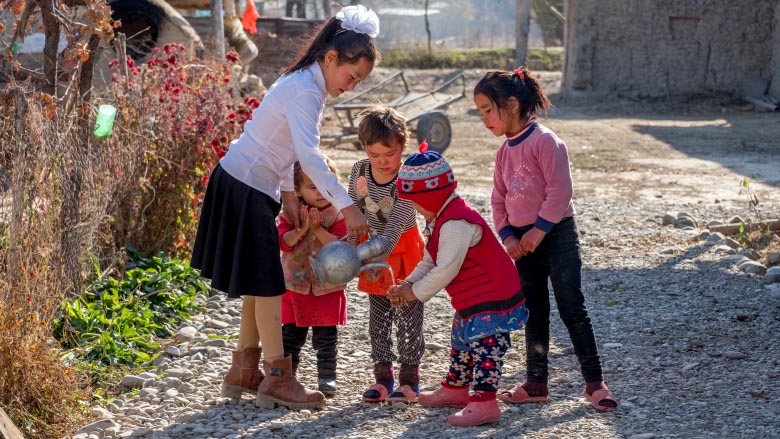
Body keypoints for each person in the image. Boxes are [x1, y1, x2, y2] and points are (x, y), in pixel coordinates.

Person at [190, 4, 380, 411]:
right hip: (244, 185)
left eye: (359, 80)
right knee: (268, 284)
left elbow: (282, 146)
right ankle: (278, 376)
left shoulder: (305, 81)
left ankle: (243, 369)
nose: (352, 85)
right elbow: (309, 156)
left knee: (258, 284)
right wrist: (346, 206)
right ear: (331, 57)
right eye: (352, 75)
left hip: (246, 182)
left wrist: (289, 195)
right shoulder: (306, 90)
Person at [473, 67, 618, 412]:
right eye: (480, 113)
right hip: (523, 245)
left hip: (556, 237)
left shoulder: (546, 141)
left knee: (572, 309)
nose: (484, 120)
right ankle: (536, 383)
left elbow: (559, 192)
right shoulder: (504, 152)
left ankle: (595, 382)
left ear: (511, 104)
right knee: (533, 314)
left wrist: (539, 231)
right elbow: (497, 199)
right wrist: (508, 236)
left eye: (487, 110)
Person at [387, 144, 528, 427]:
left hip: (492, 296)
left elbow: (445, 269)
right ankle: (455, 388)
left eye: (414, 202)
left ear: (430, 195)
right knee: (462, 341)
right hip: (472, 298)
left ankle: (485, 401)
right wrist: (409, 282)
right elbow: (430, 258)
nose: (414, 208)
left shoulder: (455, 222)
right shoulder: (441, 217)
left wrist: (413, 293)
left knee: (487, 346)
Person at [347, 105, 426, 404]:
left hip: (403, 250)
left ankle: (409, 380)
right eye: (374, 154)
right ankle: (382, 378)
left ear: (402, 146)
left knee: (408, 316)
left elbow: (393, 233)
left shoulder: (408, 177)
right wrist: (349, 246)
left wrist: (357, 257)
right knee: (378, 318)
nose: (382, 162)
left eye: (389, 154)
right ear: (364, 148)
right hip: (373, 251)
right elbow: (354, 213)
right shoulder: (359, 171)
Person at [279, 159, 347, 398]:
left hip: (326, 286)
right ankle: (286, 378)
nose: (320, 191)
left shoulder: (337, 213)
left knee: (326, 337)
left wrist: (317, 229)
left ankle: (327, 376)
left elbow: (341, 247)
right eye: (312, 186)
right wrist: (300, 230)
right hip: (295, 286)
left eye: (325, 184)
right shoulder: (291, 212)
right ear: (297, 190)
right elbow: (283, 243)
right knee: (290, 336)